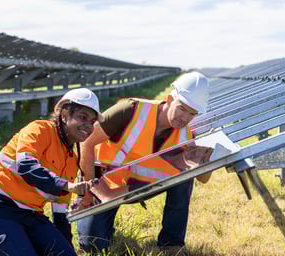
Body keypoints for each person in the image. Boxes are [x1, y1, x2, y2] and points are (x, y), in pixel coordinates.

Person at [76, 71, 211, 255]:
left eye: (192, 114)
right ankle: (103, 223)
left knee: (185, 176)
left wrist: (208, 158)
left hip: (138, 187)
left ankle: (171, 243)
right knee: (93, 246)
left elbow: (203, 179)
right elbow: (87, 142)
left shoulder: (186, 136)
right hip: (102, 183)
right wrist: (89, 190)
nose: (184, 118)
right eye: (182, 108)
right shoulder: (130, 110)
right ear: (170, 99)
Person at [0, 88, 104, 256]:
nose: (88, 125)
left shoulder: (71, 161)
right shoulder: (39, 129)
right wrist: (68, 185)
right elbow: (26, 166)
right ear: (65, 115)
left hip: (29, 214)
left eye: (92, 121)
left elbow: (60, 215)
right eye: (82, 117)